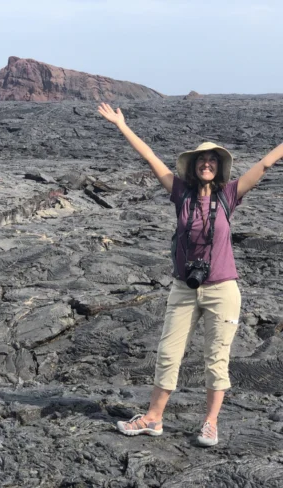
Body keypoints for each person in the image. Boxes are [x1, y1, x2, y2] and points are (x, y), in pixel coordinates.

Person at [97, 102, 283, 447]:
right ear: (194, 167)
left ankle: (210, 423)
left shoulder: (230, 194)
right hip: (184, 287)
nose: (207, 164)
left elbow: (266, 163)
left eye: (212, 160)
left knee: (217, 358)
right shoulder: (179, 193)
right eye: (201, 160)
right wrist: (121, 125)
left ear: (219, 167)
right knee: (168, 352)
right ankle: (153, 418)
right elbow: (150, 156)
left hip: (223, 289)